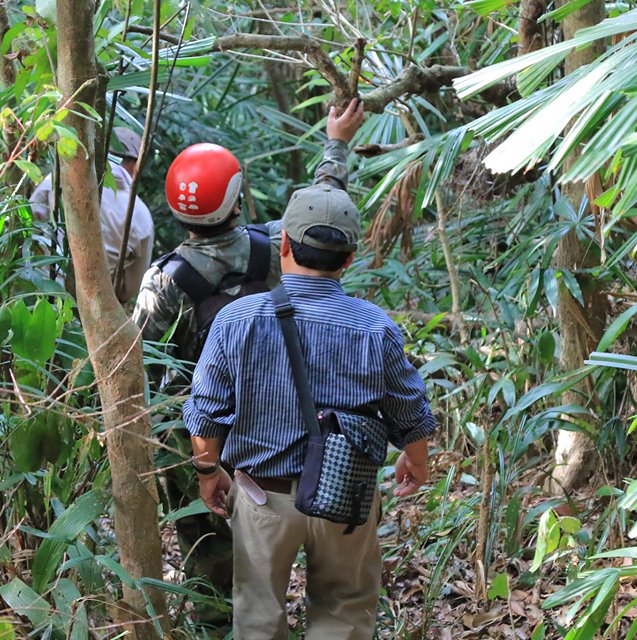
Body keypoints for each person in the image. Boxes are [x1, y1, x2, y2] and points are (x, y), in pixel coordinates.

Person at [131, 100, 365, 628]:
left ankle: (220, 626)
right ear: (237, 201)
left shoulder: (164, 282)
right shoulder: (276, 247)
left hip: (196, 430)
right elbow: (324, 215)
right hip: (274, 413)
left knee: (210, 550)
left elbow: (140, 364)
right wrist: (336, 141)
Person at [182, 179, 437, 639]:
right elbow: (410, 409)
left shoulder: (238, 319)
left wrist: (208, 473)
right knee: (344, 609)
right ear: (350, 258)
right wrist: (415, 461)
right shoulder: (374, 326)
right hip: (348, 494)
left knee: (258, 616)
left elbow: (206, 411)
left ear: (283, 244)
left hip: (263, 496)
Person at [29, 126, 153, 302]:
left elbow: (29, 225)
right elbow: (131, 286)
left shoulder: (58, 180)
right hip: (98, 306)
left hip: (43, 292)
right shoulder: (140, 214)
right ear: (134, 165)